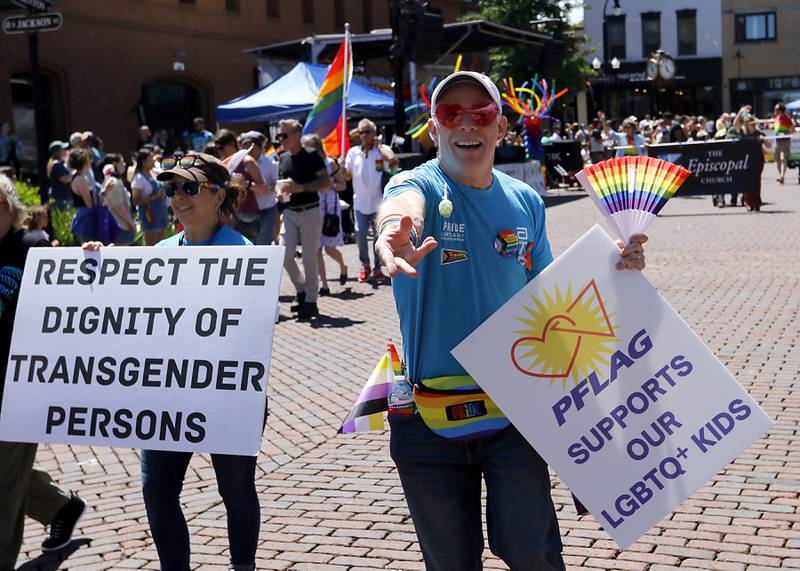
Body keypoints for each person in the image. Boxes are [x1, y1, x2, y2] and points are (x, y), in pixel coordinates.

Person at [374, 71, 648, 571]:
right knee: (451, 562)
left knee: (533, 553)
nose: (466, 124)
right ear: (434, 129)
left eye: (481, 113)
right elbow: (400, 205)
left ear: (501, 128)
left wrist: (611, 265)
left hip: (515, 412)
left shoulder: (525, 201)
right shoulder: (417, 185)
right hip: (426, 416)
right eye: (450, 114)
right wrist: (393, 231)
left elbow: (550, 297)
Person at [83, 153, 261, 571]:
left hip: (226, 391)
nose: (177, 197)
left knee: (235, 489)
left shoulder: (244, 252)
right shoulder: (160, 250)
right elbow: (132, 312)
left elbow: (258, 321)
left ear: (218, 196)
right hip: (169, 392)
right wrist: (98, 266)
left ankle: (243, 566)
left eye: (189, 187)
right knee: (157, 490)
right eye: (172, 188)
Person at [0, 175, 87, 571]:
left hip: (19, 385)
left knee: (2, 485)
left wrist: (91, 259)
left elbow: (68, 298)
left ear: (7, 204)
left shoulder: (31, 246)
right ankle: (60, 506)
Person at [276, 119, 330, 319]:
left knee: (309, 258)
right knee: (286, 255)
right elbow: (282, 183)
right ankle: (302, 289)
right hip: (289, 212)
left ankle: (311, 301)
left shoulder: (312, 155)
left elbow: (325, 181)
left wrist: (302, 187)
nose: (281, 139)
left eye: (285, 135)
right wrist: (279, 191)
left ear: (297, 135)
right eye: (280, 135)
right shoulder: (282, 158)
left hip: (310, 211)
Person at [342, 119, 399, 283]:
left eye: (367, 131)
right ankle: (365, 265)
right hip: (359, 204)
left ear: (374, 133)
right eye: (361, 132)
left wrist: (381, 147)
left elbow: (394, 162)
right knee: (360, 236)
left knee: (377, 238)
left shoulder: (381, 151)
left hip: (379, 205)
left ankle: (377, 268)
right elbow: (346, 176)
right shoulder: (353, 152)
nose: (364, 135)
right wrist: (339, 166)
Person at [301, 134, 348, 295]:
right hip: (312, 209)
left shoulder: (330, 163)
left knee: (329, 248)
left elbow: (343, 186)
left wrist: (329, 185)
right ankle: (325, 284)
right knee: (316, 250)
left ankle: (343, 266)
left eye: (308, 147)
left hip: (329, 210)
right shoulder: (305, 165)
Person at [216, 130, 270, 244]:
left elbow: (264, 189)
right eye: (217, 149)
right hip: (229, 217)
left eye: (221, 148)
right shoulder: (224, 163)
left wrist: (246, 183)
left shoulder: (247, 161)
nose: (219, 152)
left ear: (231, 144)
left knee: (247, 255)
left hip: (247, 217)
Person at [242, 131, 279, 245]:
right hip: (246, 211)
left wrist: (260, 188)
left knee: (262, 244)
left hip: (266, 210)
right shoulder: (241, 162)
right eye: (245, 145)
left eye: (251, 146)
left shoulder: (270, 164)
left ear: (259, 147)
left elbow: (277, 185)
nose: (247, 149)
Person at [131, 148, 168, 245]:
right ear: (143, 162)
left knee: (161, 243)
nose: (154, 160)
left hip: (160, 214)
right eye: (151, 158)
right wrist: (155, 197)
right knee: (150, 244)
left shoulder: (153, 173)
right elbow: (135, 200)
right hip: (149, 216)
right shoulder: (139, 178)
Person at [100, 156, 137, 245]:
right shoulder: (113, 182)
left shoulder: (114, 181)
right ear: (115, 164)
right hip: (120, 227)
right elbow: (118, 207)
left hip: (120, 226)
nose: (124, 164)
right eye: (122, 162)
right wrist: (132, 225)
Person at [772, 103, 795, 184]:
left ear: (780, 110)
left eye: (776, 109)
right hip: (777, 141)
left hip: (785, 141)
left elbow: (792, 130)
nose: (775, 110)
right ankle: (781, 176)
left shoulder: (787, 118)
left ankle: (782, 176)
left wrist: (785, 133)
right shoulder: (776, 118)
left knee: (783, 159)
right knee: (777, 159)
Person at [47, 140, 72, 207]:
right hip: (60, 198)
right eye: (63, 149)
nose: (65, 151)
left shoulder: (58, 163)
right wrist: (75, 174)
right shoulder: (56, 164)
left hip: (60, 197)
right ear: (58, 152)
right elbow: (64, 179)